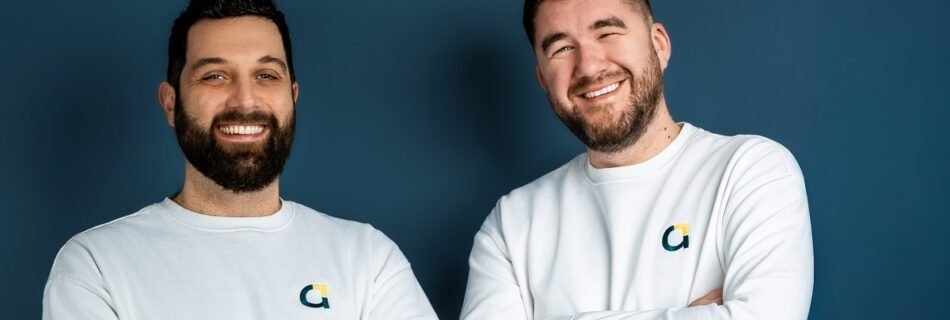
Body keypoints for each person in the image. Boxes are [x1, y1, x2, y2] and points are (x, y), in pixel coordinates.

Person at [42, 0, 437, 319]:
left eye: (266, 75)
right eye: (215, 76)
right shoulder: (97, 265)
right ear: (171, 103)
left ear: (292, 97)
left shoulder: (366, 259)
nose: (246, 101)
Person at [461, 0, 813, 319]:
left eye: (608, 32)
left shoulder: (751, 171)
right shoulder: (510, 226)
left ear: (658, 45)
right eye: (563, 48)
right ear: (542, 78)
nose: (589, 66)